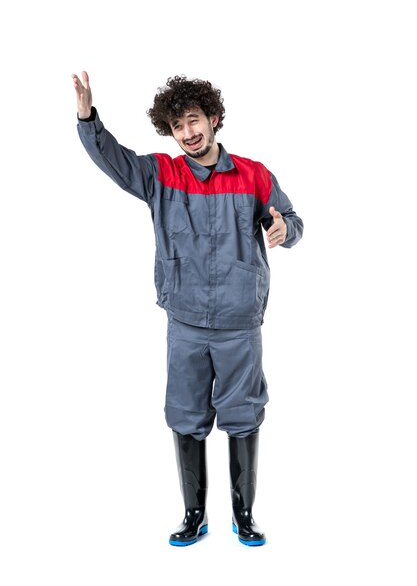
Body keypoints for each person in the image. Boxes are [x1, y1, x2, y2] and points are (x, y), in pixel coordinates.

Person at [72, 71, 304, 547]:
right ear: (170, 132)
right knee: (185, 414)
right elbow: (113, 160)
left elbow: (292, 219)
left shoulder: (255, 175)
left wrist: (286, 231)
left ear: (214, 119)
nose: (188, 133)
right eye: (178, 126)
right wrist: (87, 118)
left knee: (243, 414)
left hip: (240, 322)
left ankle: (244, 515)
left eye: (194, 121)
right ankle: (194, 514)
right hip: (185, 321)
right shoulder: (161, 175)